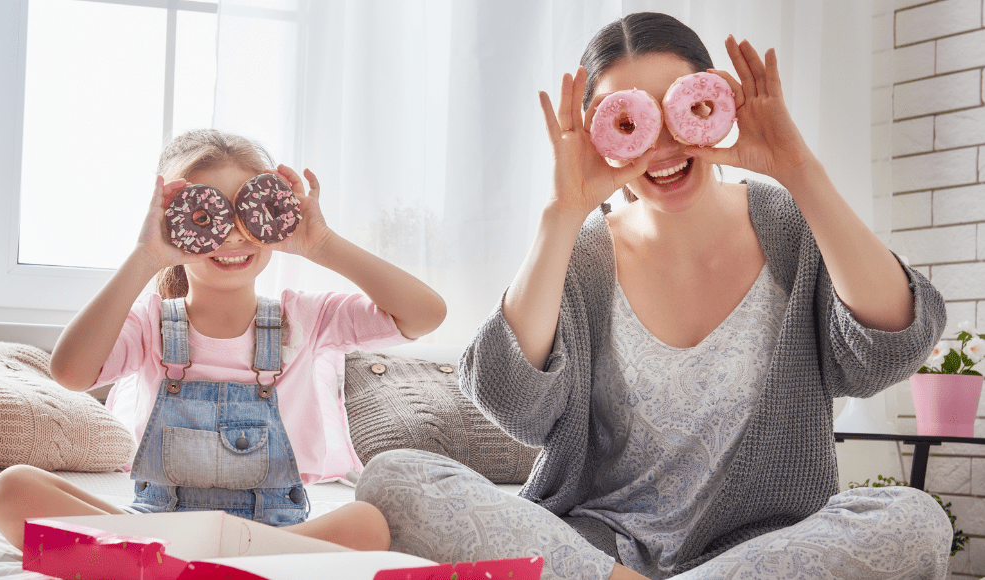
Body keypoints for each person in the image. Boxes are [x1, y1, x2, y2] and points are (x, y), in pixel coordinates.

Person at [355, 12, 951, 580]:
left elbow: (891, 347)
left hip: (759, 553)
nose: (663, 145)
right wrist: (561, 214)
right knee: (394, 476)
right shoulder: (583, 256)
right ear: (596, 137)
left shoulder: (790, 227)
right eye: (630, 121)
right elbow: (513, 402)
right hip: (598, 548)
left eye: (683, 107)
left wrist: (798, 168)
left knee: (915, 520)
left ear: (716, 100)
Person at [0, 129, 447, 552]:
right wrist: (145, 257)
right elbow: (70, 373)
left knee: (366, 523)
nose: (230, 235)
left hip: (270, 534)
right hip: (160, 529)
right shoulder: (151, 324)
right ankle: (215, 568)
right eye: (206, 216)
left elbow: (426, 315)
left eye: (249, 214)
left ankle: (188, 568)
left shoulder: (307, 318)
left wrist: (322, 243)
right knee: (14, 489)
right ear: (171, 223)